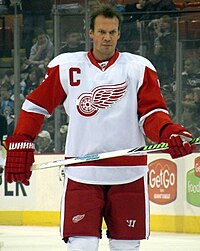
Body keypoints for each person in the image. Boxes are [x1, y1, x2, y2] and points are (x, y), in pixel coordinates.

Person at [2, 4, 196, 251]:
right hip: (82, 172)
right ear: (90, 33)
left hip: (128, 174)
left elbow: (151, 114)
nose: (107, 37)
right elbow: (35, 106)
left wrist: (169, 132)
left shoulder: (138, 68)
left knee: (126, 246)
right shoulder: (67, 66)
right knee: (82, 245)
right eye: (102, 31)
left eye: (112, 32)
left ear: (119, 34)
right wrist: (22, 139)